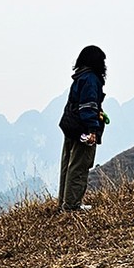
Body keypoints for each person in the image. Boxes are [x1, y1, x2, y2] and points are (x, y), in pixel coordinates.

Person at [56, 45, 107, 211]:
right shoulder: (91, 79)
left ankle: (64, 202)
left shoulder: (80, 77)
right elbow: (88, 106)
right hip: (82, 128)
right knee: (79, 165)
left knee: (68, 164)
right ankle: (72, 206)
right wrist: (93, 129)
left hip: (70, 125)